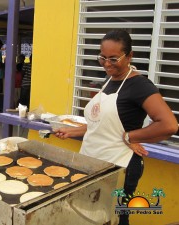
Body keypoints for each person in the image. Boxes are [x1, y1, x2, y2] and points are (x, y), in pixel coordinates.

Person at [54, 30, 178, 225]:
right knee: (92, 216)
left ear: (129, 56)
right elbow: (101, 125)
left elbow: (169, 125)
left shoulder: (139, 85)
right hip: (94, 161)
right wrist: (73, 131)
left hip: (120, 166)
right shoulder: (110, 80)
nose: (106, 64)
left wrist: (132, 136)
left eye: (113, 58)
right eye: (102, 57)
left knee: (115, 218)